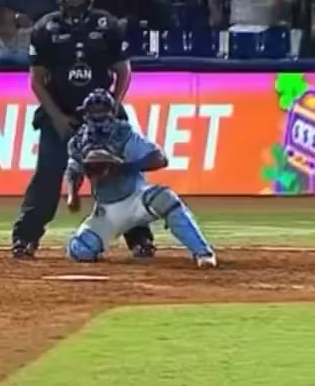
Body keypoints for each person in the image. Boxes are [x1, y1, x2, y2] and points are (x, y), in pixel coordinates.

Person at [10, 0, 156, 260]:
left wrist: (113, 106)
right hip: (61, 113)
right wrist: (56, 118)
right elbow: (36, 80)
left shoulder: (107, 24)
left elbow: (123, 71)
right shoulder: (45, 28)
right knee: (48, 177)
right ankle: (25, 238)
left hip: (103, 117)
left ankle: (140, 239)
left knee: (121, 175)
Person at [65, 89, 217, 268]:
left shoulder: (124, 135)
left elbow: (160, 158)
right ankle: (131, 242)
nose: (97, 119)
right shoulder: (78, 142)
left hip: (137, 197)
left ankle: (203, 253)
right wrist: (72, 195)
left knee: (165, 198)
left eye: (102, 113)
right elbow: (74, 171)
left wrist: (123, 166)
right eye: (93, 114)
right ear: (86, 115)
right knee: (80, 249)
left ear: (112, 112)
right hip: (107, 210)